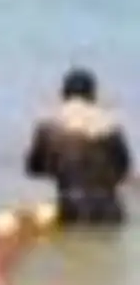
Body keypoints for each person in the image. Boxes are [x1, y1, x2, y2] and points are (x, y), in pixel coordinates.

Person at [25, 67, 131, 226]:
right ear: (93, 95)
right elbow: (123, 170)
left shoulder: (48, 127)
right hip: (111, 212)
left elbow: (33, 169)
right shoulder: (111, 127)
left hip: (71, 210)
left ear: (63, 95)